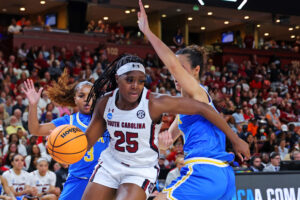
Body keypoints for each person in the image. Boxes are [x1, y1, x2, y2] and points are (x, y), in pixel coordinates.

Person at [81, 53, 248, 200]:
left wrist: (235, 139)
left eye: (140, 81)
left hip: (140, 169)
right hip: (111, 164)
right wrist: (68, 150)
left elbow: (204, 108)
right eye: (129, 80)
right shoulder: (105, 103)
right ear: (117, 78)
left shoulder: (155, 102)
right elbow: (87, 140)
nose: (135, 86)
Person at [137, 1, 250, 199]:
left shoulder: (198, 93)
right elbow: (168, 141)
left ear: (196, 70)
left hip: (204, 170)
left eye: (182, 68)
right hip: (222, 174)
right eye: (177, 69)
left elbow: (171, 66)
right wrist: (163, 142)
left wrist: (148, 31)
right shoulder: (184, 108)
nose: (176, 74)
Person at [21, 70, 109, 200]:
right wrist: (33, 105)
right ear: (75, 99)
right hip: (77, 179)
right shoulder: (68, 121)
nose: (87, 100)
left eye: (91, 95)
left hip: (103, 180)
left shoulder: (107, 121)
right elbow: (35, 130)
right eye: (81, 96)